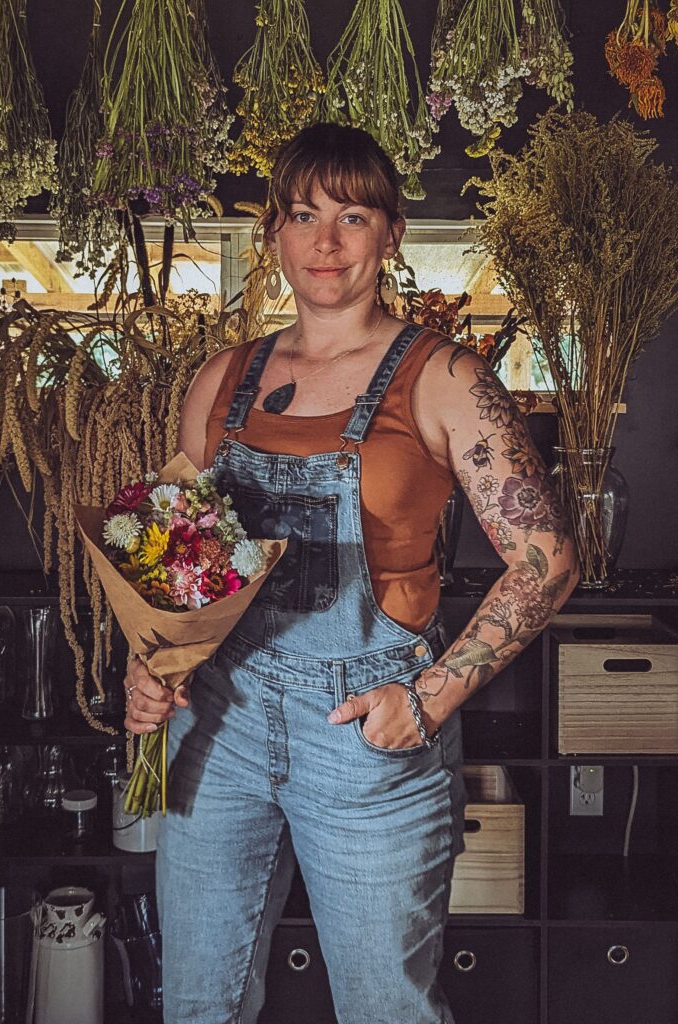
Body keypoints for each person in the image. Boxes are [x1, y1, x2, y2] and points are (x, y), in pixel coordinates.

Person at [124, 123, 579, 1024]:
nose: (325, 242)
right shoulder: (220, 380)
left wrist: (429, 699)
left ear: (391, 233)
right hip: (216, 723)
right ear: (274, 234)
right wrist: (153, 665)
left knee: (385, 1009)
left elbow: (547, 557)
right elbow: (182, 561)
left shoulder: (445, 378)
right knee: (198, 1004)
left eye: (353, 216)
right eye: (302, 215)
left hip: (364, 727)